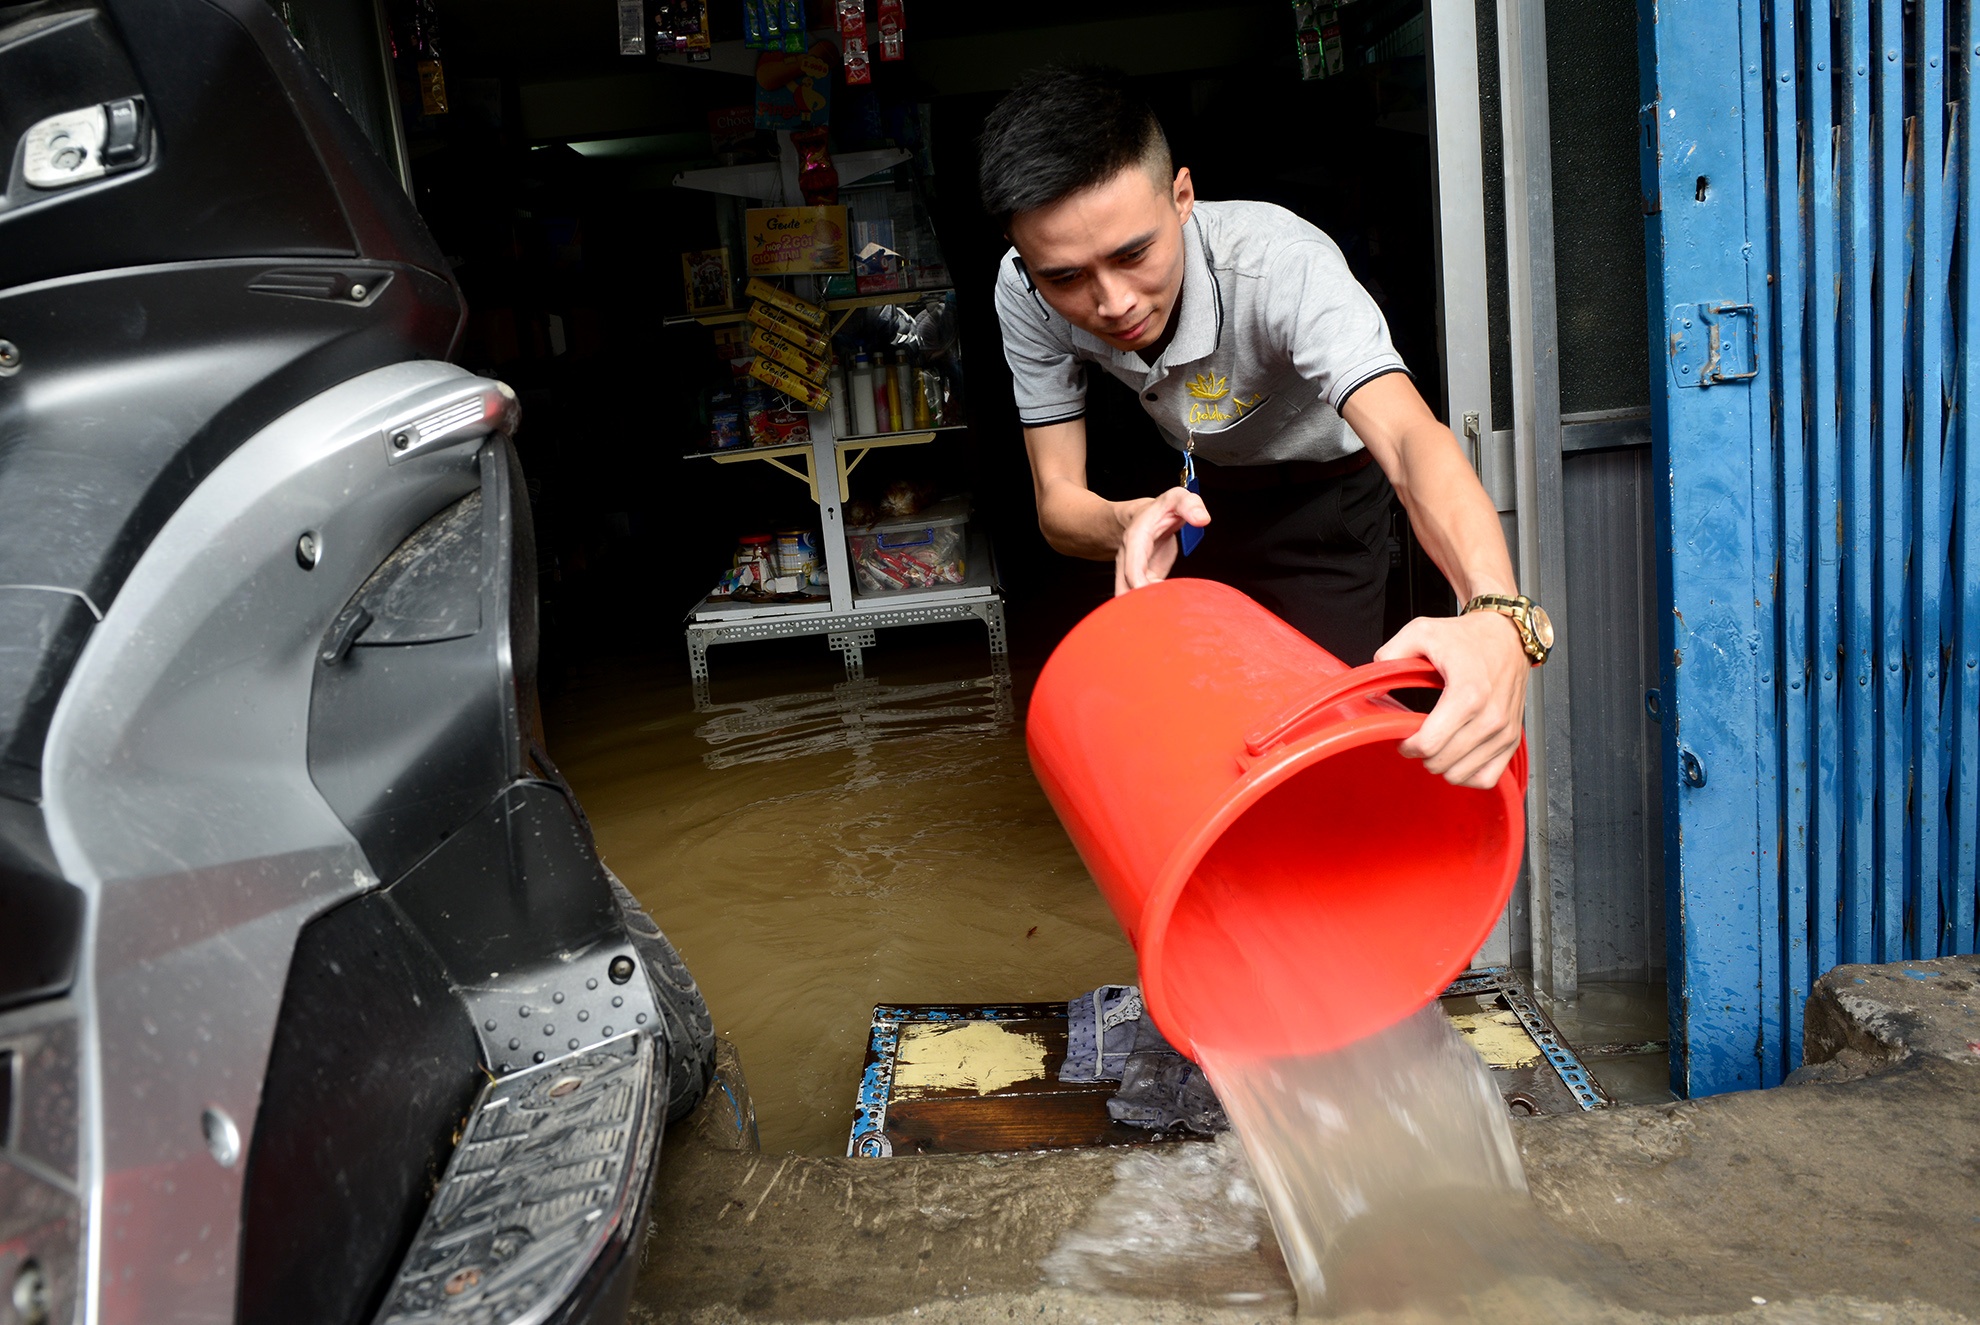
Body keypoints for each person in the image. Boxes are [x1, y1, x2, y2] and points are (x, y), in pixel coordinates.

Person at [978, 65, 1549, 791]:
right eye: (1066, 277)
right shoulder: (1021, 290)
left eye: (1133, 255)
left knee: (1321, 745)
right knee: (1204, 741)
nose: (1113, 302)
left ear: (1182, 196)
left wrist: (1497, 609)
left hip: (1329, 501)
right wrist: (1130, 521)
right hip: (1197, 499)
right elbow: (1058, 501)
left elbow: (1409, 439)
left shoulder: (1282, 266)